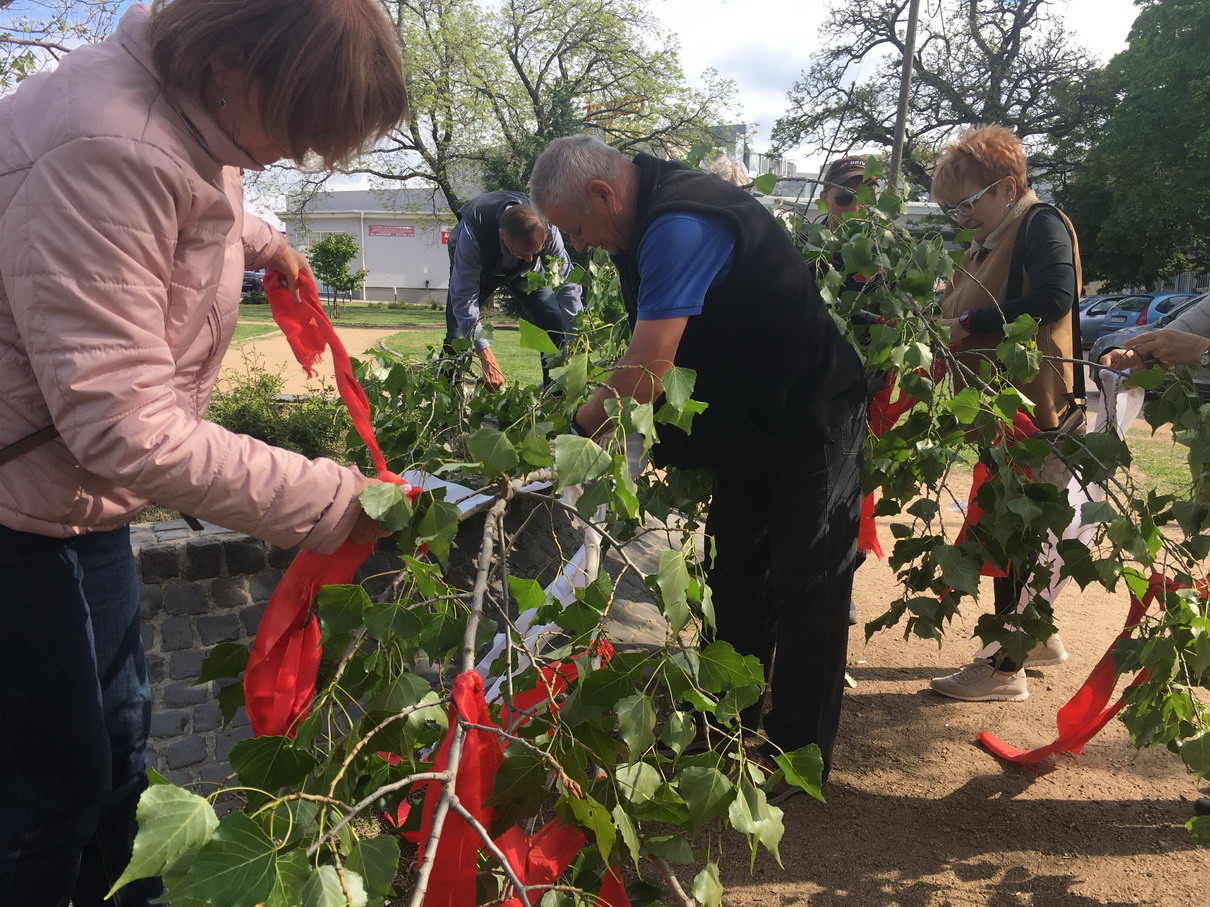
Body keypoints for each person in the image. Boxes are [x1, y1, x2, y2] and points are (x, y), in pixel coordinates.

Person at [0, 1, 408, 904]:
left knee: (119, 751)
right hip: (17, 508)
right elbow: (124, 424)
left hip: (69, 495)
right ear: (232, 61)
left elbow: (188, 198)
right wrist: (338, 500)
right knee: (49, 792)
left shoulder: (180, 105)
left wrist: (267, 242)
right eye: (297, 123)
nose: (299, 151)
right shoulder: (107, 144)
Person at [529, 134, 868, 792]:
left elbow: (646, 369)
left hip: (813, 420)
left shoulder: (681, 224)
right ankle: (725, 726)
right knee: (734, 577)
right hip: (750, 432)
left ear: (602, 194)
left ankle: (797, 753)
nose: (581, 245)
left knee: (808, 589)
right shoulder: (642, 223)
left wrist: (575, 435)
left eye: (578, 230)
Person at [927, 125, 1084, 703]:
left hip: (1033, 416)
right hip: (1003, 412)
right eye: (954, 208)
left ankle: (1002, 669)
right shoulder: (991, 238)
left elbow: (1054, 299)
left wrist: (968, 324)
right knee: (1019, 531)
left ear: (1008, 187)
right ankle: (1036, 640)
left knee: (1012, 534)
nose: (962, 217)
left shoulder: (1040, 224)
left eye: (968, 202)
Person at [444, 191, 583, 390]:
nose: (529, 258)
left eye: (535, 252)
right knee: (457, 336)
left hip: (528, 275)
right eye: (521, 253)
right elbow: (464, 298)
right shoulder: (473, 233)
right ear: (503, 235)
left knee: (554, 323)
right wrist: (485, 354)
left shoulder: (549, 229)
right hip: (480, 271)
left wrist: (574, 339)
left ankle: (554, 396)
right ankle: (447, 397)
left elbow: (567, 285)